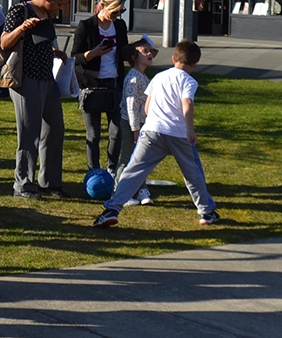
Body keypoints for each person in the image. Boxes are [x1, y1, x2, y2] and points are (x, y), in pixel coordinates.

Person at [93, 40, 219, 227]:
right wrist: (190, 129)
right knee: (193, 173)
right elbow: (187, 104)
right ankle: (206, 211)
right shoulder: (189, 81)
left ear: (174, 58)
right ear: (194, 64)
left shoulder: (159, 77)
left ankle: (112, 209)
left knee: (133, 170)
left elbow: (147, 106)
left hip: (152, 131)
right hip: (177, 133)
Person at [0, 0, 71, 197]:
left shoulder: (46, 15)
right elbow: (3, 43)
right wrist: (22, 28)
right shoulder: (19, 11)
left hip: (47, 79)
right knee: (29, 133)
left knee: (55, 128)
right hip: (26, 79)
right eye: (59, 4)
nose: (60, 8)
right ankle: (23, 185)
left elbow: (40, 42)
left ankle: (50, 183)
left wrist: (54, 52)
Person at [70, 0, 135, 173]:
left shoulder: (120, 26)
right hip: (92, 86)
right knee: (93, 134)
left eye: (120, 12)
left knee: (117, 132)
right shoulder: (86, 26)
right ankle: (94, 171)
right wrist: (93, 53)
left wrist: (139, 50)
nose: (117, 16)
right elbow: (74, 58)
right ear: (103, 5)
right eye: (114, 11)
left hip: (114, 83)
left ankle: (112, 169)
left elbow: (124, 51)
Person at [118, 37, 158, 207]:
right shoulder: (134, 78)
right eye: (145, 51)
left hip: (142, 124)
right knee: (127, 158)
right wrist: (135, 129)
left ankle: (141, 189)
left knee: (141, 158)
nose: (150, 54)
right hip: (131, 124)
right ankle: (121, 192)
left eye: (150, 51)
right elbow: (131, 106)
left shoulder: (142, 76)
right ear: (134, 57)